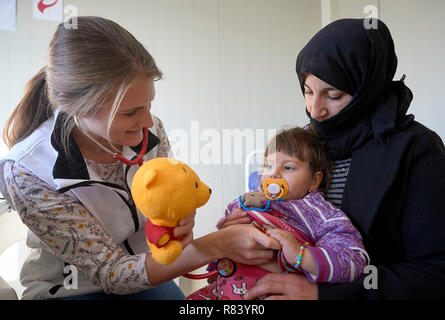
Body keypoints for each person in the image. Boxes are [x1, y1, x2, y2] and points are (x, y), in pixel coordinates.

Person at [0, 16, 281, 300]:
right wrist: (216, 246)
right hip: (71, 290)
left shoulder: (150, 129)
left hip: (146, 274)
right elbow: (111, 273)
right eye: (129, 112)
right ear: (74, 106)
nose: (148, 121)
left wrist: (182, 218)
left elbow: (167, 200)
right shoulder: (27, 171)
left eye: (148, 104)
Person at [229, 18, 445, 300]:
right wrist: (250, 222)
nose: (315, 111)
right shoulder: (306, 144)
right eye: (307, 91)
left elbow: (433, 273)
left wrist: (323, 295)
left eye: (334, 95)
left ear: (366, 90)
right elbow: (281, 205)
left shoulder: (416, 150)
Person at [186, 127, 369, 300]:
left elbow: (353, 259)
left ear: (314, 180)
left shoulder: (322, 215)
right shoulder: (247, 203)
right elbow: (222, 238)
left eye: (288, 167)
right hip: (223, 288)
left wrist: (301, 255)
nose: (274, 174)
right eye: (268, 165)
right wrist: (223, 235)